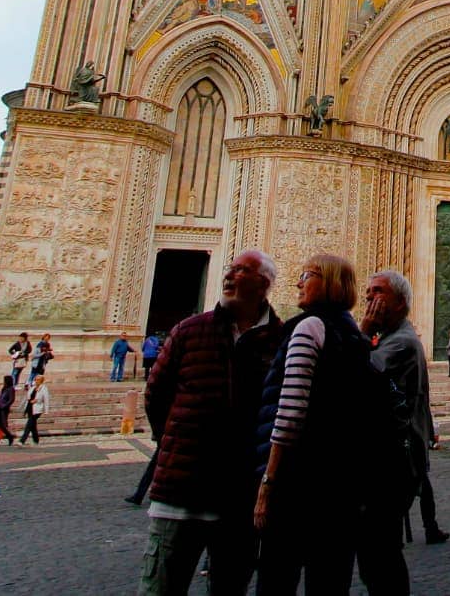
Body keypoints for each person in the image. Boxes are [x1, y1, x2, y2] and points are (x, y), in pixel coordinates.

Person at [139, 248, 281, 596]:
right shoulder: (189, 331)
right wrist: (175, 441)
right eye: (229, 269)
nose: (229, 275)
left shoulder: (282, 340)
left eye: (240, 270)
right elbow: (155, 396)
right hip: (181, 490)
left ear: (264, 284)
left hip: (239, 497)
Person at [253, 254, 375, 595]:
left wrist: (268, 481)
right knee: (330, 579)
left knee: (278, 575)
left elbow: (290, 410)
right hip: (342, 483)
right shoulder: (354, 334)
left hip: (299, 481)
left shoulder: (307, 327)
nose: (299, 282)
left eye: (307, 274)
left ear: (331, 283)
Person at [360, 268, 450, 584]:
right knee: (380, 551)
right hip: (396, 457)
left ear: (400, 302)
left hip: (393, 461)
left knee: (379, 553)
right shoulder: (393, 338)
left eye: (377, 292)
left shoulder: (401, 343)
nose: (368, 298)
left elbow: (358, 375)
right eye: (368, 292)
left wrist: (363, 330)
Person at [22, 373, 49, 444]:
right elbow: (28, 397)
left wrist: (46, 410)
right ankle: (36, 439)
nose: (36, 381)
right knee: (33, 425)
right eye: (36, 379)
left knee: (28, 425)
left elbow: (46, 399)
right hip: (30, 408)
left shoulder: (43, 388)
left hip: (37, 409)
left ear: (41, 381)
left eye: (38, 380)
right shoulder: (32, 387)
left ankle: (22, 440)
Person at [0, 374, 18, 444]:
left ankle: (9, 436)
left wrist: (4, 406)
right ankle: (5, 437)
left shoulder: (11, 389)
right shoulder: (4, 388)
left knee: (2, 424)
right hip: (0, 407)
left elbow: (11, 399)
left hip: (4, 409)